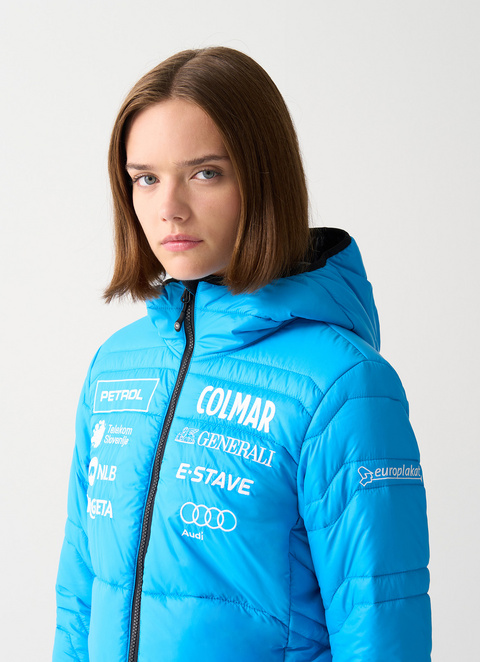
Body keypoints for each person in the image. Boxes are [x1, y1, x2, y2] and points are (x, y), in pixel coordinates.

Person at [53, 47, 431, 661]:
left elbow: (381, 631)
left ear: (263, 177)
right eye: (146, 178)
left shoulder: (342, 386)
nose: (169, 208)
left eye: (205, 173)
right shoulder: (115, 366)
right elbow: (79, 597)